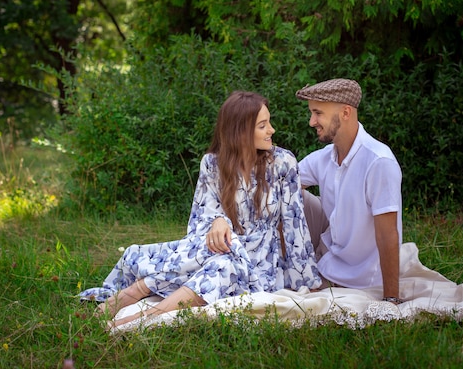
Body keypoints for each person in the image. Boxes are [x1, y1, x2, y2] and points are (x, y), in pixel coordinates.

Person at [80, 91, 322, 327]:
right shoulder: (212, 164)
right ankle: (132, 294)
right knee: (221, 258)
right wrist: (219, 220)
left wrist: (307, 280)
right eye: (263, 125)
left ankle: (141, 315)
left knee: (224, 263)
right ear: (240, 131)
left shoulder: (283, 162)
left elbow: (295, 225)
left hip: (260, 261)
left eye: (269, 123)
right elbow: (199, 222)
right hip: (220, 249)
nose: (272, 130)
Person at [295, 78, 404, 305]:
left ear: (345, 112)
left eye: (318, 113)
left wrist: (391, 298)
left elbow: (387, 235)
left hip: (363, 278)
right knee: (291, 194)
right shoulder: (325, 157)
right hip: (328, 264)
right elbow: (280, 181)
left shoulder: (378, 162)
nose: (311, 121)